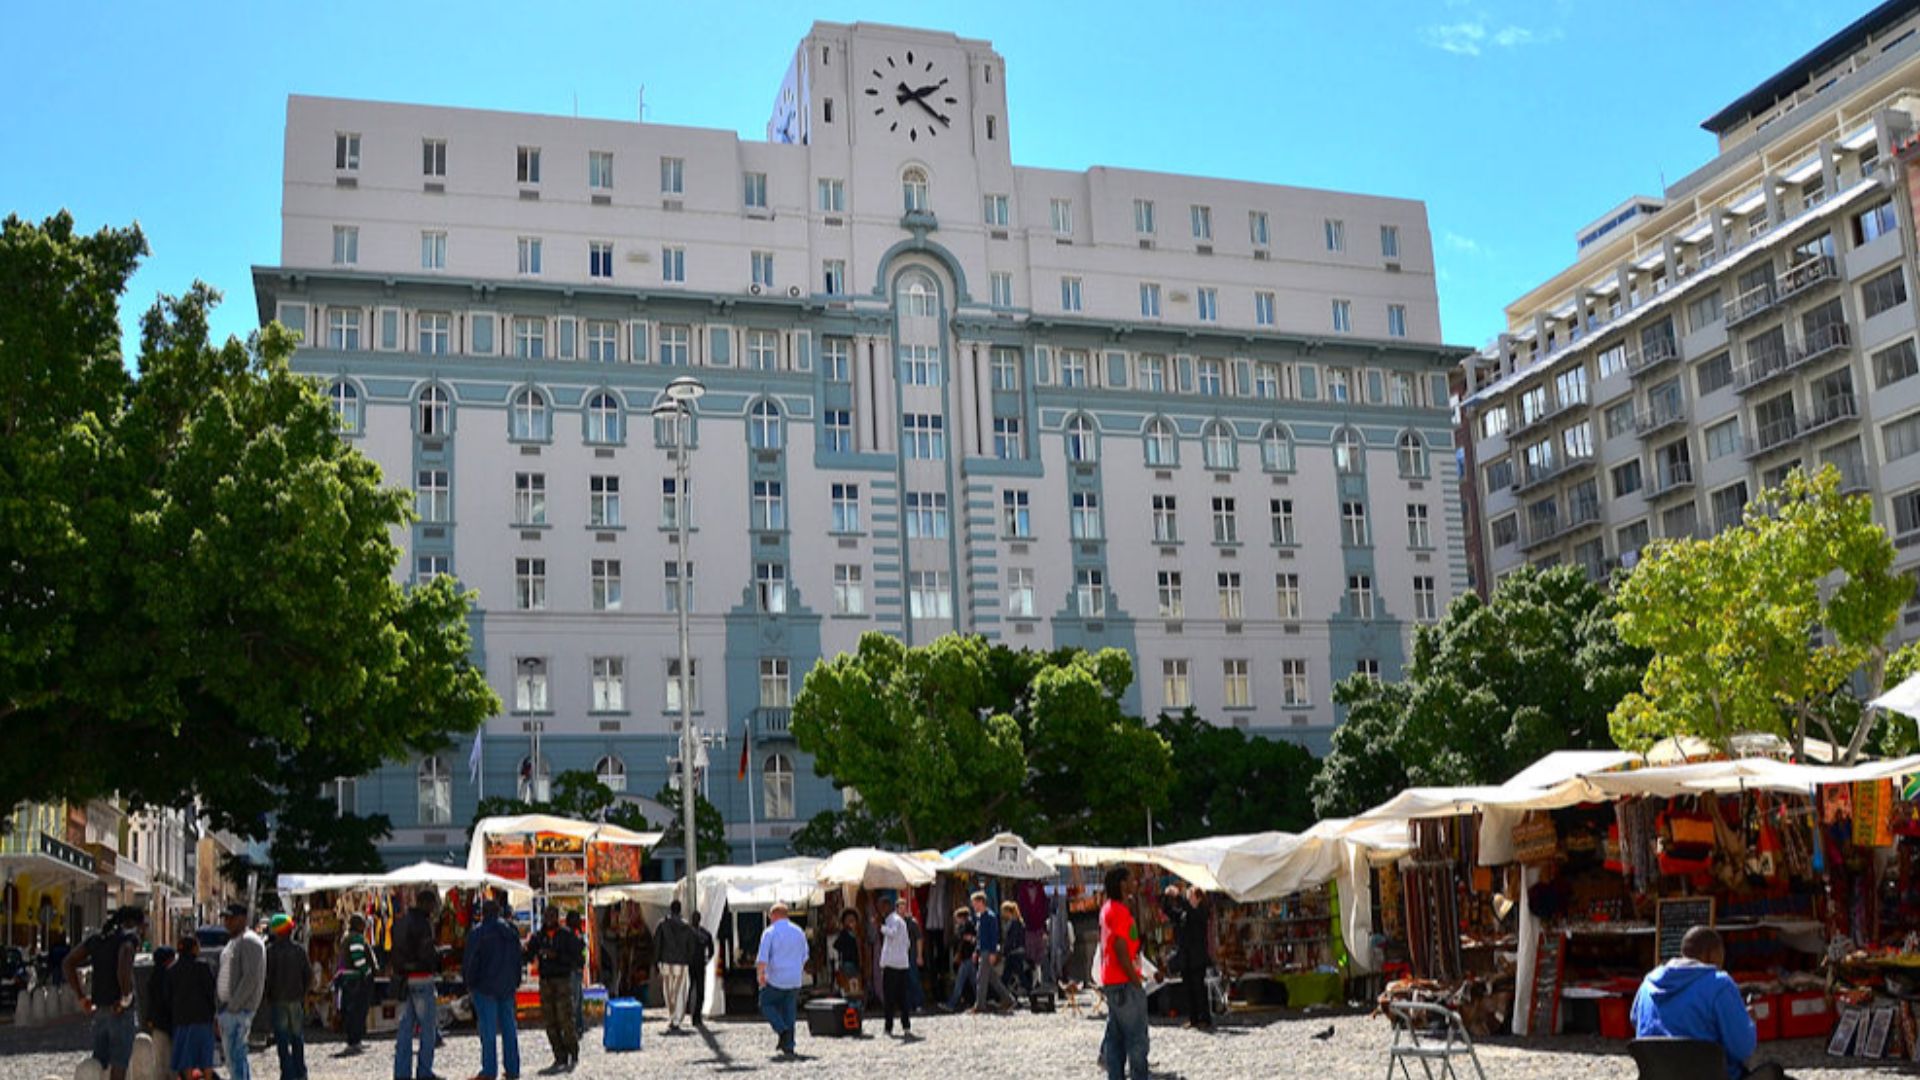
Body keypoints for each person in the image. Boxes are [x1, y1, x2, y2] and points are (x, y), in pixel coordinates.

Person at [1631, 927, 1793, 1080]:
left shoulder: (1648, 984)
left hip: (1658, 1076)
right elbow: (1743, 1049)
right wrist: (1748, 1022)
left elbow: (1634, 1020)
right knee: (1774, 1072)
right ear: (1711, 955)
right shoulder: (1719, 984)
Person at [66, 906, 141, 1080]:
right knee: (119, 1064)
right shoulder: (128, 939)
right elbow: (123, 963)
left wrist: (81, 996)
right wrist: (125, 998)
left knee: (99, 1062)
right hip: (120, 1010)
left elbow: (68, 962)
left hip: (100, 1008)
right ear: (132, 923)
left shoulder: (96, 940)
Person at [463, 900, 523, 1080]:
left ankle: (489, 1070)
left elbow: (471, 961)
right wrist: (515, 981)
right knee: (509, 1028)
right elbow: (518, 959)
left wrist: (469, 983)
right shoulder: (511, 931)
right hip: (507, 986)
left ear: (483, 913)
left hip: (484, 987)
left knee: (488, 1031)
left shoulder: (478, 932)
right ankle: (512, 1068)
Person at [1099, 867, 1149, 1080]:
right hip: (1124, 982)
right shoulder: (1118, 911)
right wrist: (1134, 978)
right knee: (1137, 1040)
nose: (1135, 883)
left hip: (1112, 980)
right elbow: (1120, 947)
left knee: (1116, 1040)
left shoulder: (1107, 908)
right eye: (1131, 880)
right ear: (1122, 884)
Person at [390, 889, 443, 1080]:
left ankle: (401, 1072)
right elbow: (426, 953)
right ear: (427, 904)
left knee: (405, 1030)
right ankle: (424, 1071)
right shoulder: (423, 924)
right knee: (427, 1029)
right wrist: (437, 957)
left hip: (404, 979)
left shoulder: (400, 922)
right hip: (421, 976)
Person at [526, 908, 581, 1072]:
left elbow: (577, 958)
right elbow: (529, 955)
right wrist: (531, 953)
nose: (549, 919)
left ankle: (573, 1051)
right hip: (545, 982)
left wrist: (556, 956)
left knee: (565, 1018)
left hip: (562, 980)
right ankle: (559, 1055)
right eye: (546, 916)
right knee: (550, 1021)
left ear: (557, 918)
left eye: (552, 916)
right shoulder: (538, 936)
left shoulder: (566, 935)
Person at [216, 903, 266, 1080]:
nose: (227, 922)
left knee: (236, 1058)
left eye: (231, 918)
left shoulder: (249, 941)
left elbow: (250, 978)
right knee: (234, 1059)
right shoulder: (233, 942)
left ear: (242, 919)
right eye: (225, 918)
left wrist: (233, 1006)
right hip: (229, 1009)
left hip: (238, 1010)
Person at [756, 902, 808, 1058]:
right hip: (794, 978)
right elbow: (805, 956)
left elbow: (763, 958)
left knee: (766, 1004)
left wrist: (761, 975)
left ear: (774, 915)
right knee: (789, 1011)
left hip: (776, 977)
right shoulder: (799, 931)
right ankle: (789, 1045)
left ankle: (781, 1029)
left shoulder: (769, 932)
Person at [1160, 884, 1213, 1031]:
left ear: (1198, 898)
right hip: (1186, 957)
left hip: (1198, 957)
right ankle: (1193, 1018)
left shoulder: (1201, 912)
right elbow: (1169, 912)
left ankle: (1205, 1018)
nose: (1188, 899)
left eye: (1190, 896)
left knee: (1199, 989)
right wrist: (1167, 897)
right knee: (1188, 990)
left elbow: (1191, 911)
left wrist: (1178, 896)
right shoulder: (1184, 914)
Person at [264, 914, 308, 1080]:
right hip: (296, 999)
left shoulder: (270, 952)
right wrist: (302, 993)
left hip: (277, 1000)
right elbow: (308, 975)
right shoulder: (299, 950)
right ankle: (301, 1072)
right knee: (297, 1037)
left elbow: (267, 977)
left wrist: (267, 996)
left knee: (282, 1039)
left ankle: (287, 1074)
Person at [169, 935, 219, 1080]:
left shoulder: (172, 970)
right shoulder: (203, 967)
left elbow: (168, 995)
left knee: (187, 1058)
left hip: (182, 1020)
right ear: (194, 949)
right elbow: (211, 991)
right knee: (206, 1056)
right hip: (203, 1018)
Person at [336, 914, 376, 1055]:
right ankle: (355, 1040)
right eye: (363, 923)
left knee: (352, 1011)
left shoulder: (347, 937)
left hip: (348, 979)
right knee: (357, 1011)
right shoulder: (356, 938)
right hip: (356, 979)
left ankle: (355, 1039)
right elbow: (358, 959)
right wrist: (367, 972)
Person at [652, 900, 694, 1032]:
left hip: (666, 962)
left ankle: (671, 1016)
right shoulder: (686, 927)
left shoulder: (662, 924)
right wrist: (689, 960)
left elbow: (657, 944)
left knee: (668, 989)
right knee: (680, 990)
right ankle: (677, 1018)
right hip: (681, 963)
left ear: (670, 909)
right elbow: (691, 947)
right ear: (680, 910)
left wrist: (655, 962)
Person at [970, 892, 1014, 1013]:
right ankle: (1008, 999)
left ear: (981, 902)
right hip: (982, 950)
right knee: (992, 979)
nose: (974, 906)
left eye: (975, 903)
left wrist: (993, 953)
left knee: (981, 978)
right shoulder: (980, 918)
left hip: (988, 951)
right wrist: (976, 951)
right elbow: (980, 937)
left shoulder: (991, 917)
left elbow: (994, 936)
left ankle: (980, 1005)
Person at [877, 896, 913, 1037]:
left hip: (893, 965)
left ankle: (889, 1026)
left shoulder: (895, 921)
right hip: (901, 963)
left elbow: (892, 933)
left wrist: (880, 927)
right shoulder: (899, 921)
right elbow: (907, 943)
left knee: (890, 998)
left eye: (881, 907)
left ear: (887, 906)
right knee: (902, 997)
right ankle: (905, 1025)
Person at [942, 910, 977, 1011]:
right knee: (975, 982)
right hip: (968, 958)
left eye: (957, 918)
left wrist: (958, 954)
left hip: (967, 958)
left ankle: (951, 1004)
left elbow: (964, 941)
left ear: (961, 917)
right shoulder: (968, 926)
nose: (955, 920)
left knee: (959, 983)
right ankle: (982, 1000)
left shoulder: (967, 926)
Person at [687, 912, 715, 1028]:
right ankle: (694, 1015)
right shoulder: (702, 933)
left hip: (695, 964)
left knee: (697, 989)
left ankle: (695, 1015)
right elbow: (711, 950)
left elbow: (711, 950)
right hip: (695, 964)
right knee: (696, 989)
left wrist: (707, 960)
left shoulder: (690, 932)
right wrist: (707, 959)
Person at [564, 912, 587, 1038]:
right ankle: (573, 1027)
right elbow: (577, 950)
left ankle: (579, 1025)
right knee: (574, 1000)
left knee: (578, 1000)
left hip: (577, 970)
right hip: (573, 970)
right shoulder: (569, 935)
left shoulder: (577, 934)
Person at [1000, 901, 1030, 999]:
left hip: (1014, 952)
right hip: (1015, 952)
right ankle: (1003, 995)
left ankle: (1030, 991)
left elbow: (1012, 939)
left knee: (1017, 975)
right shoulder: (1015, 922)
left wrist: (1005, 950)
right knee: (1010, 975)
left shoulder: (1015, 923)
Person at [831, 910, 861, 998]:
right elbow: (836, 945)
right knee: (849, 983)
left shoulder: (858, 933)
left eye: (853, 920)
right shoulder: (844, 933)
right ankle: (850, 1004)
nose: (851, 922)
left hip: (856, 962)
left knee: (856, 982)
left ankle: (855, 1003)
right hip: (847, 962)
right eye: (848, 920)